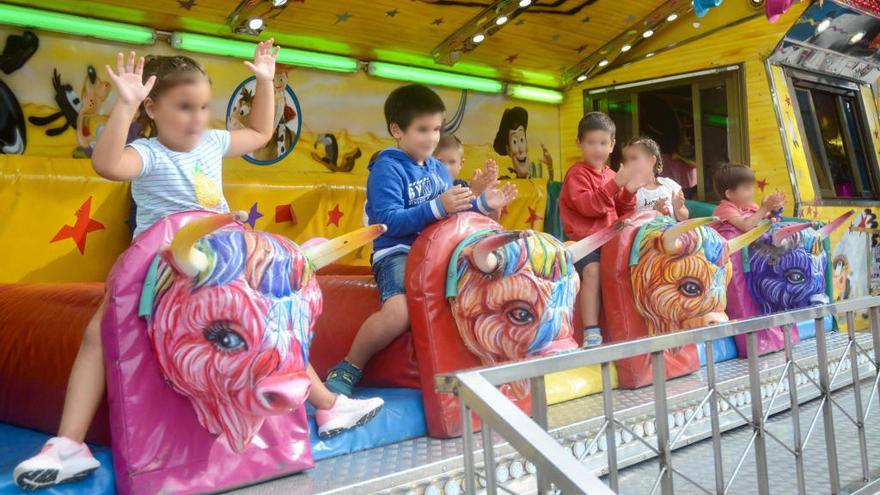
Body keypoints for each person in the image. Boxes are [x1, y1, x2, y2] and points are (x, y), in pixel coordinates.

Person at [15, 43, 381, 491]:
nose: (197, 118)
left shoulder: (210, 141)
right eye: (184, 107)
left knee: (266, 323)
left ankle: (326, 404)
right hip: (164, 266)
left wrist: (266, 81)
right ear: (153, 107)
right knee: (98, 334)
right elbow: (108, 163)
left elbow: (261, 133)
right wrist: (124, 108)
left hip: (223, 264)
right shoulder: (148, 152)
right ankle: (68, 443)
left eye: (203, 106)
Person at [324, 84, 517, 396]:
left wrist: (483, 203)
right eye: (423, 129)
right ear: (397, 130)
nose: (432, 138)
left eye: (437, 129)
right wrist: (437, 206)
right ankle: (349, 366)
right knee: (399, 311)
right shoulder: (387, 169)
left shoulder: (440, 169)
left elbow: (454, 213)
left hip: (438, 253)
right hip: (398, 252)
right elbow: (387, 222)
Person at [559, 112, 651, 347]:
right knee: (592, 270)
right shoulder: (576, 174)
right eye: (591, 142)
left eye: (603, 143)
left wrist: (629, 191)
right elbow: (589, 206)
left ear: (611, 145)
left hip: (610, 241)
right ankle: (591, 329)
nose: (597, 149)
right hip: (585, 243)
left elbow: (622, 208)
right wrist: (617, 184)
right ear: (579, 143)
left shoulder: (611, 174)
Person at [626, 137, 689, 221]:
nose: (629, 164)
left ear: (652, 161)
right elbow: (631, 224)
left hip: (673, 231)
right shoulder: (632, 192)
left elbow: (684, 217)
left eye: (634, 159)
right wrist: (654, 213)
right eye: (627, 160)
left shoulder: (669, 185)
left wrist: (678, 208)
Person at [712, 162, 785, 232]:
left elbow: (772, 221)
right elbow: (745, 226)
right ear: (730, 194)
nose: (752, 191)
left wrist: (775, 211)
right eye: (747, 188)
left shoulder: (751, 206)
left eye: (752, 187)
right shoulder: (724, 209)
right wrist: (765, 208)